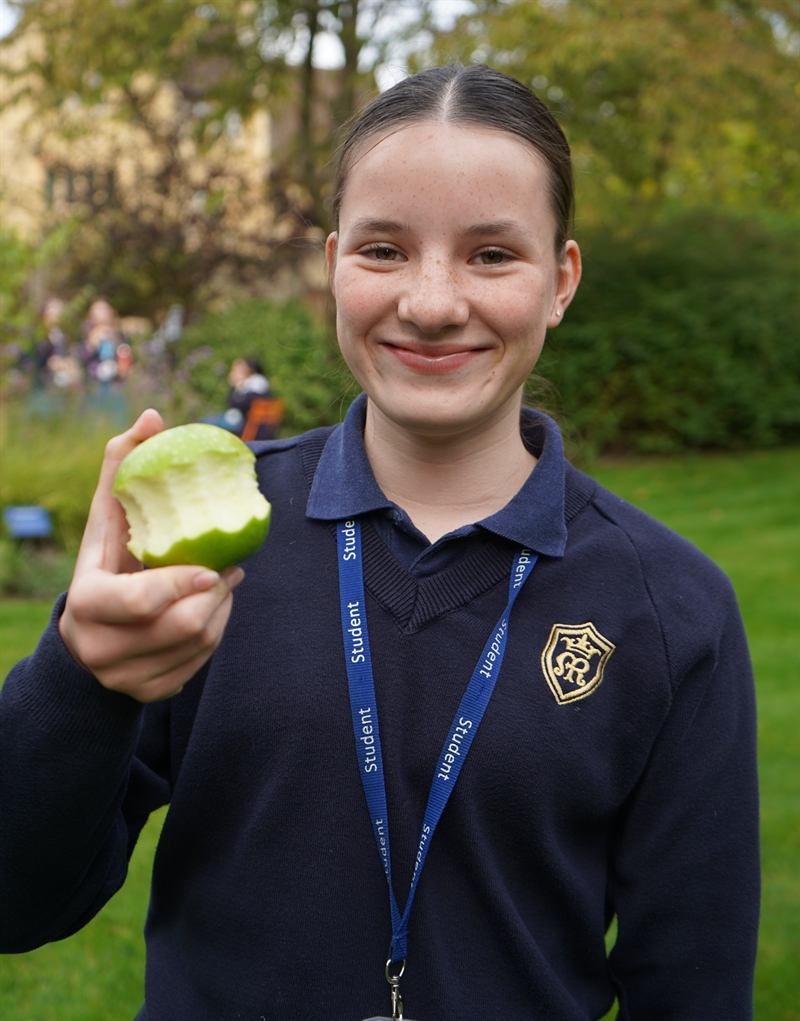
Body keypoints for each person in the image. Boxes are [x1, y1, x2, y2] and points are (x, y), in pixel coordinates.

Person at [0, 64, 759, 1021]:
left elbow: (692, 987)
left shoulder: (671, 608)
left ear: (560, 280)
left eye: (492, 255)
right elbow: (19, 904)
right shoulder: (202, 544)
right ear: (332, 265)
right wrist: (78, 681)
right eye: (384, 249)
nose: (433, 301)